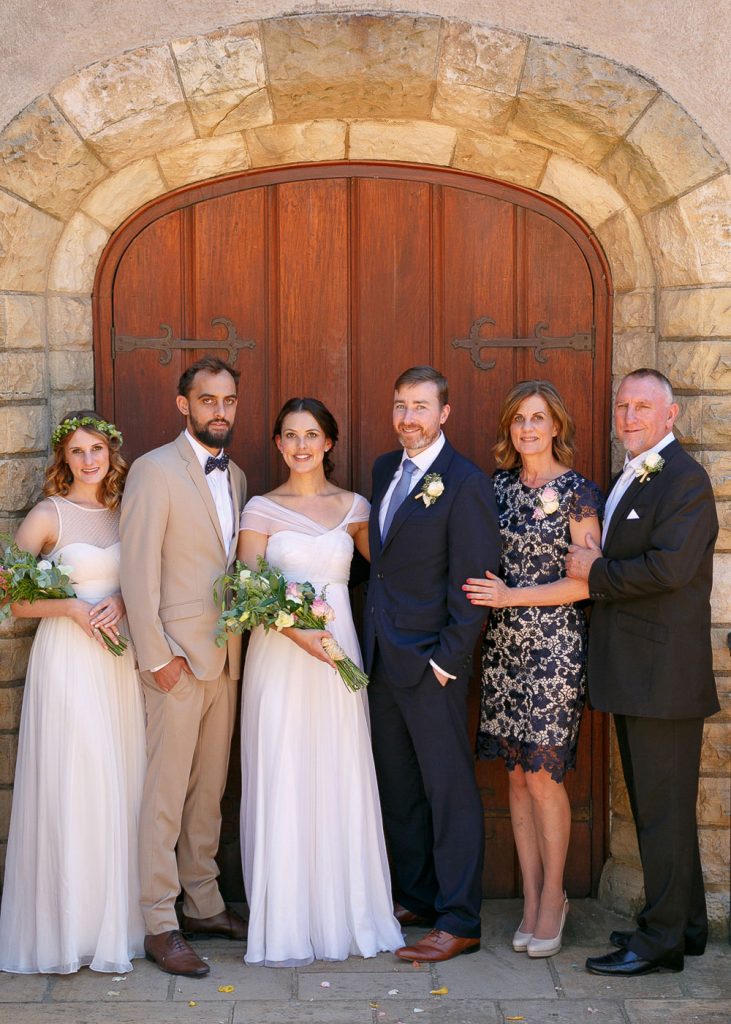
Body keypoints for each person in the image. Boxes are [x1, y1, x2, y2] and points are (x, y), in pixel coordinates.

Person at [237, 397, 403, 966]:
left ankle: (344, 911)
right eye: (290, 435)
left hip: (339, 656)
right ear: (279, 444)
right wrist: (298, 632)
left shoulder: (357, 506)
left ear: (329, 442)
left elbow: (392, 569)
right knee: (283, 766)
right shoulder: (259, 509)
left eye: (312, 435)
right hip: (281, 657)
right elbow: (247, 590)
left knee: (338, 767)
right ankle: (285, 919)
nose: (301, 445)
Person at [566, 368, 719, 977]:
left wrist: (594, 571)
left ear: (670, 416)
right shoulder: (634, 474)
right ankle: (686, 926)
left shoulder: (684, 479)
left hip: (664, 678)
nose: (628, 416)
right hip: (639, 674)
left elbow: (668, 570)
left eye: (642, 406)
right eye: (622, 406)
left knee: (661, 812)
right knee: (667, 809)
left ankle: (659, 945)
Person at [363, 366, 501, 964]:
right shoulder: (382, 470)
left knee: (448, 793)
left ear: (444, 412)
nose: (407, 418)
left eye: (420, 406)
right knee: (399, 788)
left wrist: (447, 661)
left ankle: (460, 918)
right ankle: (416, 897)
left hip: (431, 665)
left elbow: (475, 581)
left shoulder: (465, 481)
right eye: (400, 405)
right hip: (381, 659)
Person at [0, 412, 146, 974]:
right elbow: (14, 600)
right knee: (74, 782)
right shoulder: (46, 517)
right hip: (67, 660)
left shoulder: (125, 512)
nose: (89, 460)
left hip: (117, 662)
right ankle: (66, 929)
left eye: (98, 449)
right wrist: (71, 608)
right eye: (77, 451)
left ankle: (116, 926)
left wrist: (126, 603)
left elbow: (140, 578)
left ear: (112, 454)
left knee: (119, 781)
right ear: (63, 458)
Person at [463, 380, 603, 958]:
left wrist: (511, 599)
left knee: (544, 777)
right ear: (509, 428)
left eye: (538, 418)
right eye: (519, 419)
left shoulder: (578, 494)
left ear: (556, 427)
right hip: (503, 649)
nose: (528, 428)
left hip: (553, 648)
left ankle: (554, 897)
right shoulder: (493, 489)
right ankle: (528, 898)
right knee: (516, 777)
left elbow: (585, 581)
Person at [119, 357, 247, 978]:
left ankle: (203, 903)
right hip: (175, 658)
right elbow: (136, 571)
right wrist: (156, 656)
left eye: (227, 400)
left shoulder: (239, 476)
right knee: (166, 795)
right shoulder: (153, 470)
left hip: (225, 659)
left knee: (209, 793)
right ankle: (159, 921)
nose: (219, 410)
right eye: (207, 400)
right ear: (183, 404)